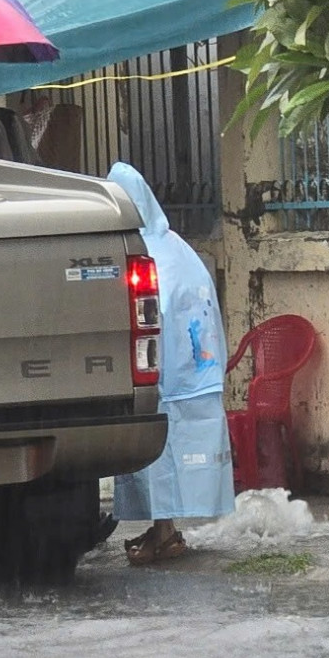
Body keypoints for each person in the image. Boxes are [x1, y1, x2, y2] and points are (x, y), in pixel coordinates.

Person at [107, 162, 234, 564]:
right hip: (197, 373)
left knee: (159, 458)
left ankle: (163, 533)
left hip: (166, 376)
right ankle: (165, 530)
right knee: (173, 455)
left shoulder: (143, 251)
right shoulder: (178, 247)